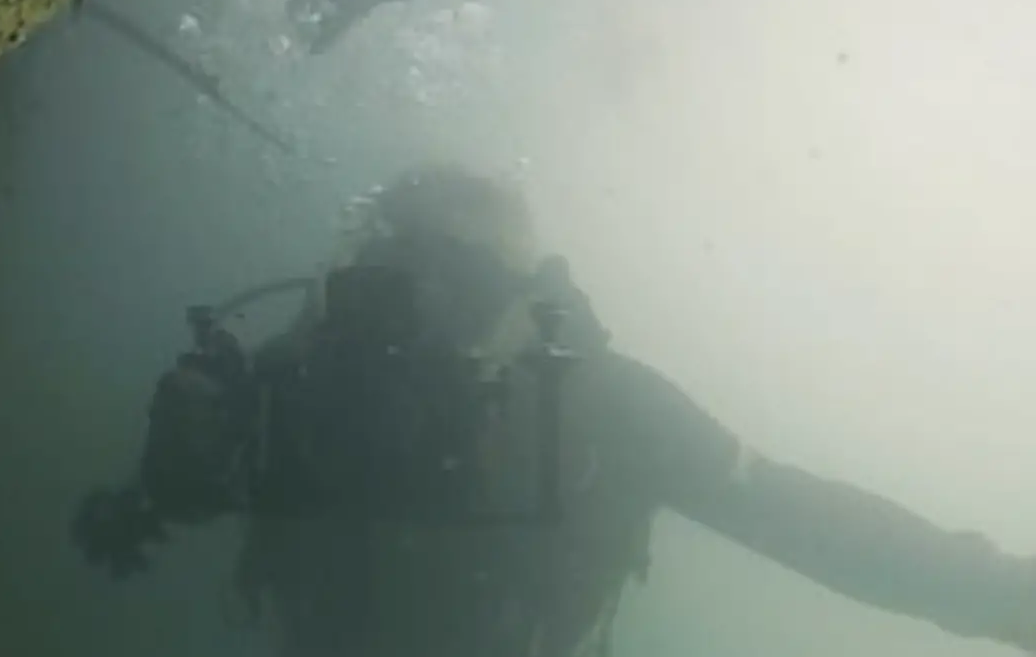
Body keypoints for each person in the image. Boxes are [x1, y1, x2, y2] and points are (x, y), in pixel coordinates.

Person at [73, 163, 1036, 656]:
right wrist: (159, 476)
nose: (428, 311)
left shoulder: (598, 405)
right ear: (352, 282)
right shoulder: (297, 379)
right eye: (403, 279)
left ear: (530, 298)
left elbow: (809, 519)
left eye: (465, 279)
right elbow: (174, 496)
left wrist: (1007, 595)